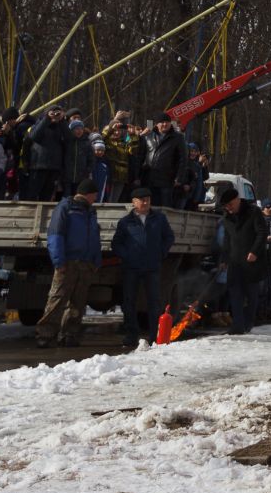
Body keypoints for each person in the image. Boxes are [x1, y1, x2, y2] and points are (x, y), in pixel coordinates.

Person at [36, 188, 101, 348]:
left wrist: (96, 261)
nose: (96, 198)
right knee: (57, 299)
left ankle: (69, 335)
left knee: (77, 303)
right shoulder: (66, 207)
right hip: (68, 262)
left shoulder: (90, 212)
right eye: (95, 195)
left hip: (85, 264)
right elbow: (55, 235)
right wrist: (59, 261)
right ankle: (45, 335)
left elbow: (94, 238)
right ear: (88, 193)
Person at [111, 187, 175, 348]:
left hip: (152, 267)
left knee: (154, 302)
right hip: (131, 268)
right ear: (134, 202)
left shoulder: (159, 219)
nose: (145, 202)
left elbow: (169, 237)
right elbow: (116, 243)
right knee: (129, 302)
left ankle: (155, 336)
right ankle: (131, 335)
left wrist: (161, 252)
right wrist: (127, 256)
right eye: (142, 199)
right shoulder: (126, 222)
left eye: (148, 199)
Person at [217, 184, 268, 334]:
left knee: (251, 296)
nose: (229, 208)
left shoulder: (253, 212)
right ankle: (237, 326)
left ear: (237, 199)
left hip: (252, 262)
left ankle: (248, 323)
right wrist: (224, 260)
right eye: (226, 206)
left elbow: (261, 233)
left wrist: (254, 251)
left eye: (230, 204)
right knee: (235, 295)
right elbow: (227, 240)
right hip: (234, 262)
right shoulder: (227, 219)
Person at [142, 119, 190, 210]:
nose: (164, 124)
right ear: (157, 124)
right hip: (150, 178)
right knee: (150, 206)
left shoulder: (177, 137)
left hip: (167, 179)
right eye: (162, 122)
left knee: (165, 207)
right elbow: (141, 155)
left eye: (167, 122)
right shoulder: (149, 136)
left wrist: (179, 178)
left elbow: (183, 159)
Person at [23, 109, 69, 202]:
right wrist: (47, 118)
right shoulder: (39, 125)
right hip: (38, 166)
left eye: (57, 113)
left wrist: (62, 120)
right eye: (53, 113)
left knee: (46, 196)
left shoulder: (60, 127)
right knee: (32, 194)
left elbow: (69, 139)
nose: (55, 115)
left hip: (54, 167)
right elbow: (33, 136)